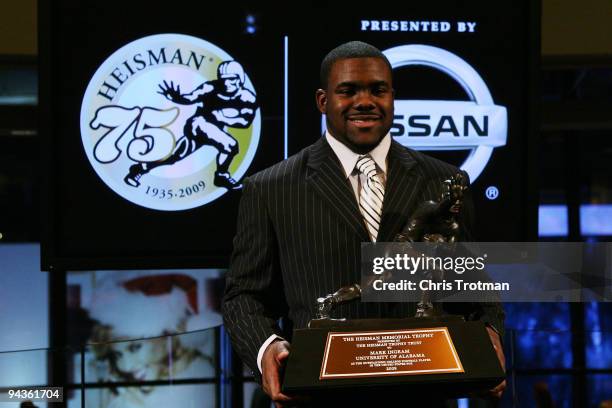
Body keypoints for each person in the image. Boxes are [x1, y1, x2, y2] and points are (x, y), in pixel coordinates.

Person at [222, 41, 506, 406]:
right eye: (349, 91)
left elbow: (471, 285)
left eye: (378, 90)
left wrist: (490, 330)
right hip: (320, 397)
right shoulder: (270, 188)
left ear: (392, 98)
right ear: (323, 101)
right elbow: (243, 295)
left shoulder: (445, 181)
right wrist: (266, 348)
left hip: (424, 395)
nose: (365, 101)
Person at [124, 60, 258, 190]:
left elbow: (245, 122)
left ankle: (140, 168)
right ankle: (221, 175)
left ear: (240, 79)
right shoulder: (210, 87)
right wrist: (176, 98)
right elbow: (191, 97)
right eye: (224, 79)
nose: (227, 83)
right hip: (199, 124)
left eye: (232, 79)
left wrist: (222, 117)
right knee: (230, 145)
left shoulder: (248, 97)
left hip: (216, 129)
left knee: (173, 157)